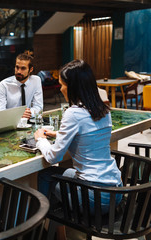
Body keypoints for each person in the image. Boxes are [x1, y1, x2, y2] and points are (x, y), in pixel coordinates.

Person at [34, 60, 122, 214]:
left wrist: (40, 139)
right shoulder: (103, 109)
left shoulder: (73, 113)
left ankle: (47, 225)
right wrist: (59, 134)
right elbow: (89, 133)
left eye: (62, 85)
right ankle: (61, 228)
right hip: (116, 191)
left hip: (96, 196)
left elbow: (53, 157)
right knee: (63, 173)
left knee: (46, 175)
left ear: (73, 87)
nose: (60, 89)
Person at [0, 50, 43, 118]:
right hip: (10, 122)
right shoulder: (4, 85)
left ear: (31, 69)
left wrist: (29, 113)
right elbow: (0, 111)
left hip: (28, 121)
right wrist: (18, 115)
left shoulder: (36, 80)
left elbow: (39, 107)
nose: (18, 71)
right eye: (17, 67)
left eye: (23, 68)